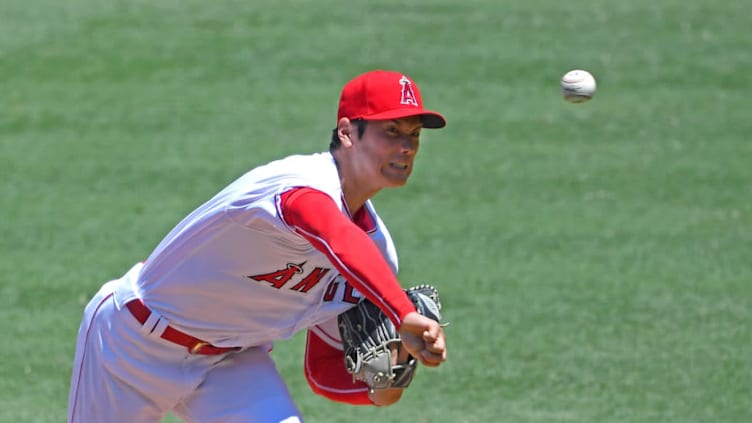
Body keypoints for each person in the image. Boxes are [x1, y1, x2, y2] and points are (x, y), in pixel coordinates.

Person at [67, 69, 448, 423]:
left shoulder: (377, 254)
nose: (406, 147)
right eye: (392, 131)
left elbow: (322, 371)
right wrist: (400, 311)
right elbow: (333, 234)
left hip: (232, 364)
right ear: (348, 132)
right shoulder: (297, 184)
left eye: (413, 134)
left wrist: (386, 387)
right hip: (133, 342)